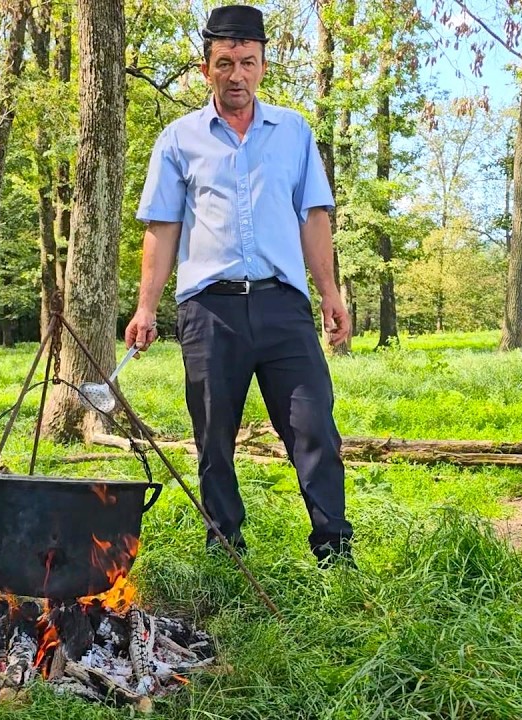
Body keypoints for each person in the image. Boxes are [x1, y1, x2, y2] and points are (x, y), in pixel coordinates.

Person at [125, 4, 354, 567]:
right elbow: (163, 226)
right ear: (206, 68)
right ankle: (225, 549)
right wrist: (145, 308)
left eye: (247, 62)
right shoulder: (179, 140)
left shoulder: (293, 132)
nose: (236, 75)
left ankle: (334, 550)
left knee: (314, 426)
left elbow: (314, 215)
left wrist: (330, 292)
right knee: (214, 441)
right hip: (209, 312)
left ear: (262, 65)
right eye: (224, 62)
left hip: (283, 308)